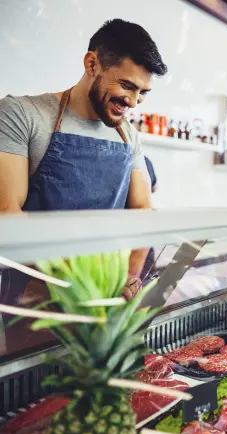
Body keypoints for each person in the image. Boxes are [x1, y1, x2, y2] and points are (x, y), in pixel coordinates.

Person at [0, 19, 168, 300]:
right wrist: (84, 285)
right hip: (35, 294)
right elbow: (7, 214)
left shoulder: (128, 134)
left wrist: (128, 278)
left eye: (143, 92)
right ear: (92, 64)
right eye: (127, 85)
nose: (134, 101)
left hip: (107, 295)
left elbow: (142, 211)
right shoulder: (21, 114)